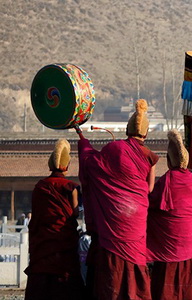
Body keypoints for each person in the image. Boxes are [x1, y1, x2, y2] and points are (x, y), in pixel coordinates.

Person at [77, 99, 158, 299]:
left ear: (128, 131)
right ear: (145, 134)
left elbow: (91, 165)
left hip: (114, 217)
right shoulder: (150, 156)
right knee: (135, 267)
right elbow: (149, 188)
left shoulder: (115, 149)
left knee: (111, 276)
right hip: (136, 217)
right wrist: (133, 193)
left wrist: (84, 144)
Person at [24, 139, 84, 299]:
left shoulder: (40, 187)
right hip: (63, 242)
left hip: (43, 243)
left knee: (42, 284)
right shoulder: (71, 187)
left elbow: (36, 215)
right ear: (67, 166)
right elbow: (75, 213)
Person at [147, 129, 192, 299]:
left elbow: (148, 205)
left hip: (168, 253)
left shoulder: (166, 181)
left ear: (169, 160)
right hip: (190, 251)